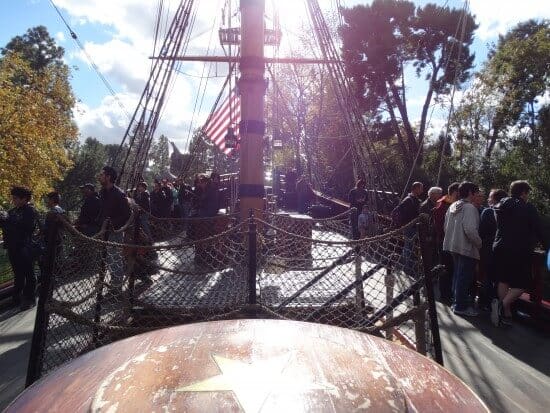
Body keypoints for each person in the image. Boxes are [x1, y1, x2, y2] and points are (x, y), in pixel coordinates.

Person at [491, 181, 547, 326]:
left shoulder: (500, 204)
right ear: (523, 192)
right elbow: (540, 229)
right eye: (527, 193)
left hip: (499, 247)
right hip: (518, 249)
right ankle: (502, 306)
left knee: (503, 279)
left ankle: (504, 312)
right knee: (523, 283)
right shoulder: (527, 208)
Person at [443, 182, 482, 317]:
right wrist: (479, 243)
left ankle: (456, 302)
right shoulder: (470, 208)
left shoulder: (453, 205)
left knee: (457, 276)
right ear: (471, 192)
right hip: (466, 247)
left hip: (453, 245)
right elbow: (470, 230)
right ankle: (461, 306)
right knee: (464, 277)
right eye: (476, 191)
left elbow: (445, 227)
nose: (478, 194)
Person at [0, 186, 38, 309]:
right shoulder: (12, 212)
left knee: (29, 274)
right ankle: (16, 298)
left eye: (15, 198)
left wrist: (8, 220)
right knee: (18, 274)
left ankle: (30, 299)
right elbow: (7, 229)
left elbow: (25, 228)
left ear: (24, 199)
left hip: (24, 246)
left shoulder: (30, 211)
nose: (13, 201)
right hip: (13, 247)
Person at [98, 166, 132, 290]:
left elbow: (127, 214)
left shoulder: (119, 194)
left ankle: (116, 287)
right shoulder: (102, 192)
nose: (100, 176)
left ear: (109, 177)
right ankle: (111, 283)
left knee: (115, 259)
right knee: (107, 258)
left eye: (102, 174)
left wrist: (112, 223)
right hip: (104, 231)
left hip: (115, 231)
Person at [478, 188, 507, 310]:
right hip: (502, 250)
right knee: (498, 278)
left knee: (487, 276)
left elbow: (481, 231)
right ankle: (496, 302)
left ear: (494, 199)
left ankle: (485, 302)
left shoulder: (488, 212)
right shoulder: (508, 213)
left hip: (487, 248)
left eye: (490, 197)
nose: (488, 199)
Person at [432, 182, 460, 303]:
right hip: (445, 241)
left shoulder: (445, 203)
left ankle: (448, 293)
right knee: (446, 268)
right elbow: (442, 225)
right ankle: (445, 295)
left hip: (447, 241)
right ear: (455, 192)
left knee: (450, 268)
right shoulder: (443, 205)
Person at [395, 182, 424, 275]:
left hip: (413, 226)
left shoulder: (415, 200)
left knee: (408, 246)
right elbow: (399, 210)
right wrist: (404, 223)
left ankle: (407, 266)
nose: (422, 190)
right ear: (415, 188)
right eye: (420, 188)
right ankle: (408, 269)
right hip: (409, 227)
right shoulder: (408, 200)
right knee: (409, 247)